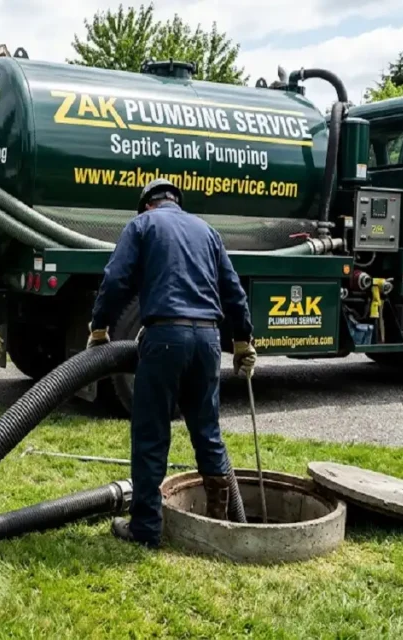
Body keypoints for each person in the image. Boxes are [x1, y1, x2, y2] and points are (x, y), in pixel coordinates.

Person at [86, 177, 257, 549]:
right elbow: (233, 290)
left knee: (151, 435)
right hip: (208, 341)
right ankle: (219, 526)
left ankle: (146, 529)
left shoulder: (143, 225)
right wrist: (243, 341)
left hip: (165, 338)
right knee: (207, 432)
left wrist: (99, 328)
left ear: (147, 203)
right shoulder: (207, 231)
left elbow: (115, 279)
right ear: (176, 201)